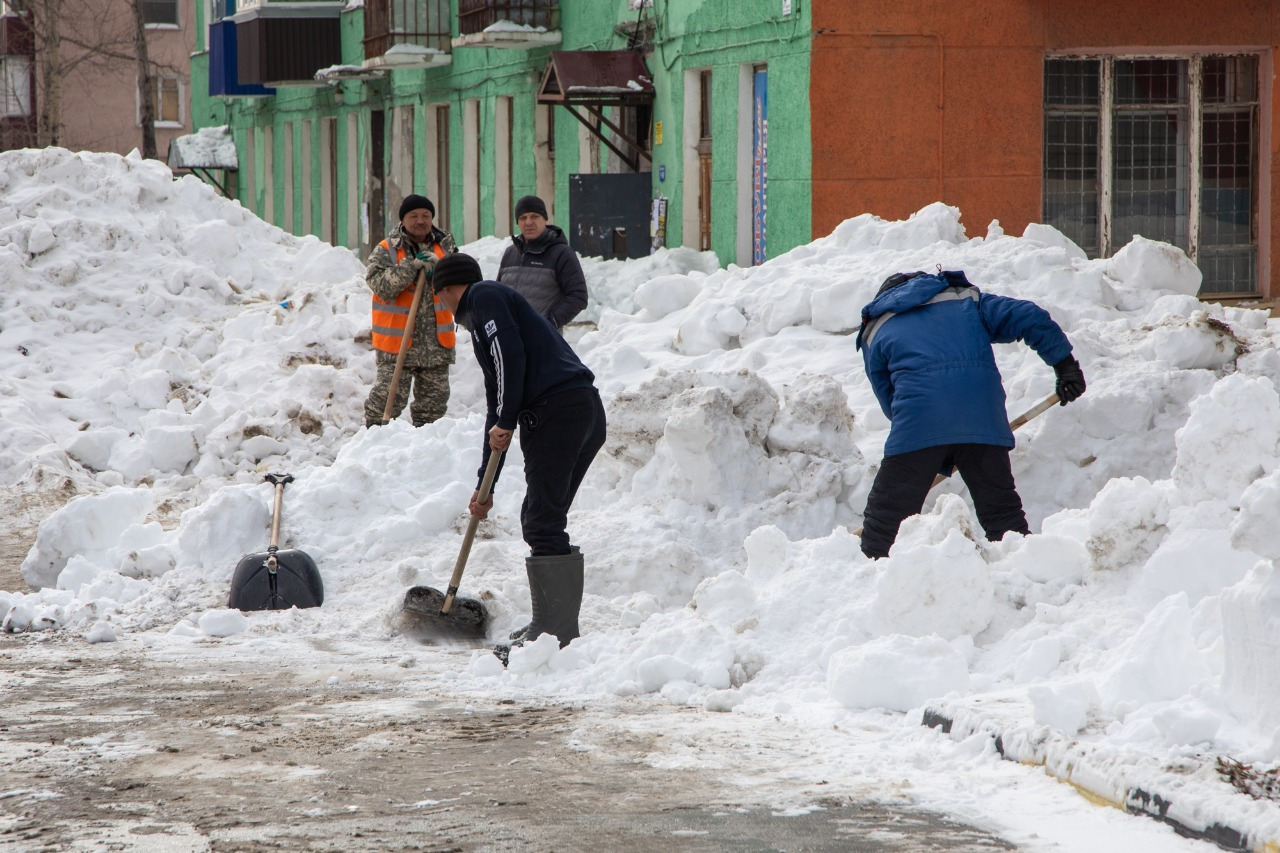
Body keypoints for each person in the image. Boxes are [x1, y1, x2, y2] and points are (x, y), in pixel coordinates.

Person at [429, 252, 606, 661]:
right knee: (546, 518)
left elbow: (511, 358)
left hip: (558, 412)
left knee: (541, 521)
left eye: (441, 297)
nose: (444, 307)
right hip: (579, 410)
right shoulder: (487, 315)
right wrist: (484, 487)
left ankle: (554, 633)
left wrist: (508, 418)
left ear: (448, 290)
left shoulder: (484, 296)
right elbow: (497, 402)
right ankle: (552, 627)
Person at [855, 269, 1087, 559]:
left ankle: (869, 579)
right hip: (983, 419)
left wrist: (933, 444)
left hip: (919, 421)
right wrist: (1066, 366)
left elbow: (888, 396)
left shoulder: (876, 326)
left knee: (885, 521)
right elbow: (1030, 316)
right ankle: (1026, 571)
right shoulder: (965, 300)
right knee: (1003, 515)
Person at [363, 195, 459, 428]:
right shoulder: (387, 249)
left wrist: (442, 267)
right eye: (414, 216)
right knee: (384, 405)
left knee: (432, 411)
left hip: (435, 345)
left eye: (426, 216)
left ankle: (424, 456)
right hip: (397, 346)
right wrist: (411, 267)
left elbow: (462, 284)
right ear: (403, 220)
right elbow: (381, 286)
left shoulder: (446, 246)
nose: (420, 221)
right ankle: (376, 448)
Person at [497, 195, 588, 331]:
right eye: (523, 218)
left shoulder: (561, 253)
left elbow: (578, 296)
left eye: (534, 216)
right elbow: (499, 295)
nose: (528, 222)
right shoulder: (510, 253)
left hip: (543, 344)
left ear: (545, 219)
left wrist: (549, 323)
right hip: (509, 340)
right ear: (518, 222)